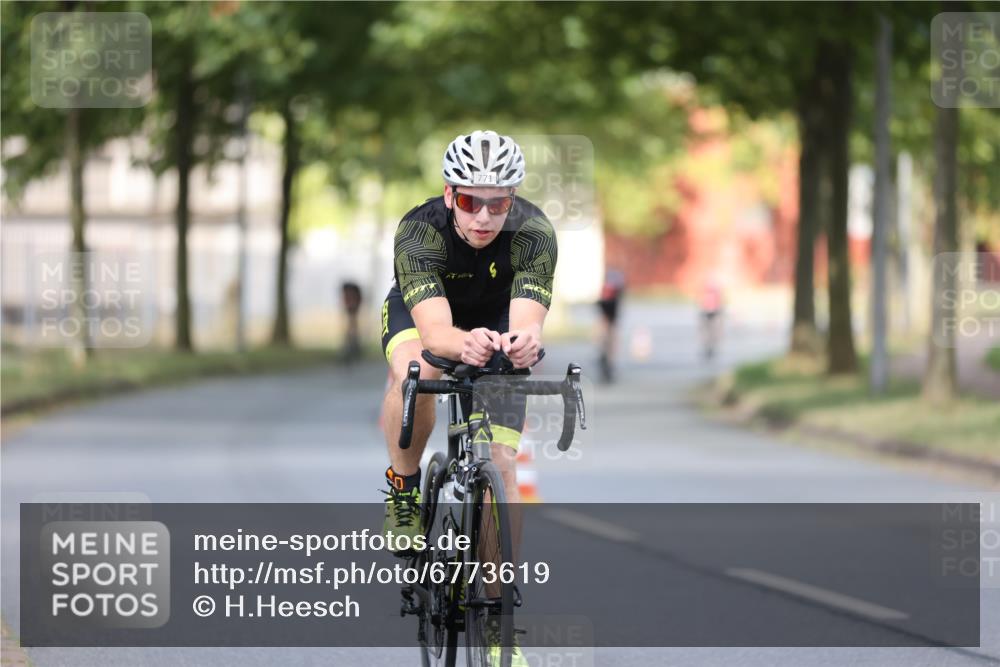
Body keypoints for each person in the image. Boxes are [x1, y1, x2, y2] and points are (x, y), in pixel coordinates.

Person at [380, 130, 554, 665]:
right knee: (416, 370)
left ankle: (500, 624)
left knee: (502, 466)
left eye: (497, 202)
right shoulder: (419, 230)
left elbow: (527, 322)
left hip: (495, 319)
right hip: (427, 318)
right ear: (448, 192)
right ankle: (404, 485)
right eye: (468, 200)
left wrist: (523, 344)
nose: (483, 216)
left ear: (513, 197)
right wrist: (460, 345)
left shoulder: (534, 232)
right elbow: (436, 334)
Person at [596, 268, 626, 383]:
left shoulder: (610, 290)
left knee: (608, 340)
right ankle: (607, 359)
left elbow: (601, 305)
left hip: (609, 319)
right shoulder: (615, 290)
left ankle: (606, 359)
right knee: (610, 341)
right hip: (609, 319)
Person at [699, 279, 724, 360]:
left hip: (713, 313)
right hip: (708, 314)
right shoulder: (707, 295)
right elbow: (704, 305)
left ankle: (710, 347)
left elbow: (718, 305)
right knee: (708, 332)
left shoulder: (714, 295)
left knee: (712, 332)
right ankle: (708, 347)